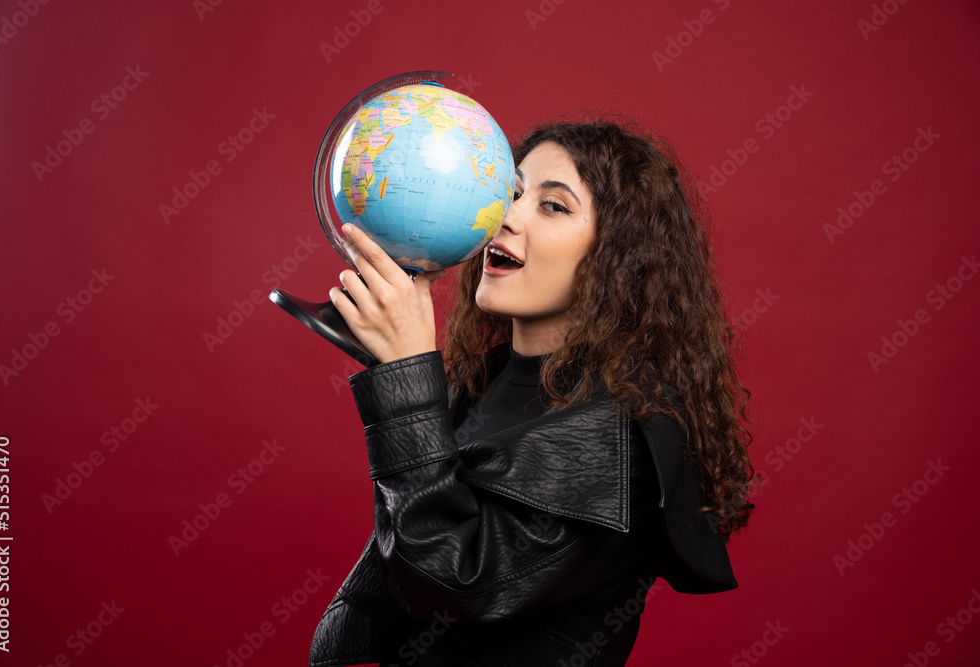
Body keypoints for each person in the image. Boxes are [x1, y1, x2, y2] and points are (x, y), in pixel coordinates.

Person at [309, 118, 756, 666]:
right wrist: (400, 374)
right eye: (512, 192)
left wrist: (404, 382)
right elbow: (399, 558)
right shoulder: (480, 381)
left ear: (619, 258)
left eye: (554, 206)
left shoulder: (623, 437)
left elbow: (451, 584)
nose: (507, 216)